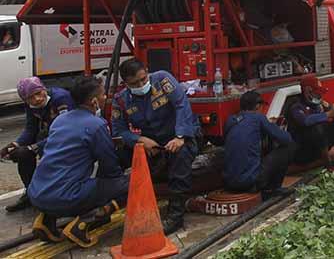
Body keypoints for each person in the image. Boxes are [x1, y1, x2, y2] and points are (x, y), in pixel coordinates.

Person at [27, 76, 128, 247]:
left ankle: (46, 220)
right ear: (94, 101)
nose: (106, 97)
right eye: (104, 95)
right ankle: (83, 224)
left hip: (36, 193)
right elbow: (110, 166)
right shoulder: (96, 125)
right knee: (131, 184)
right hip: (65, 197)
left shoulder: (59, 120)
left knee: (68, 180)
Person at [111, 58, 200, 234]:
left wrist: (180, 136)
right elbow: (119, 130)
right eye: (134, 83)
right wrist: (140, 140)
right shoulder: (121, 100)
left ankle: (176, 215)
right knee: (120, 155)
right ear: (125, 83)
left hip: (180, 136)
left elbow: (182, 105)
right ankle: (109, 202)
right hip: (152, 143)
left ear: (147, 71)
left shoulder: (162, 79)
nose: (141, 84)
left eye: (143, 79)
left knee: (179, 159)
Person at [0, 77, 74, 212]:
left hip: (71, 138)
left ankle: (56, 192)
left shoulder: (60, 99)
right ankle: (30, 193)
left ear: (44, 89)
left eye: (39, 93)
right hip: (51, 135)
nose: (37, 99)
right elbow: (30, 129)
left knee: (39, 146)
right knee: (22, 154)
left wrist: (34, 148)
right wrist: (14, 145)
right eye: (31, 98)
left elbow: (64, 132)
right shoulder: (31, 106)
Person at [223, 91, 295, 200]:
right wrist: (271, 125)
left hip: (229, 183)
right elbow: (286, 139)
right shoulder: (258, 118)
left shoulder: (231, 120)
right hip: (250, 183)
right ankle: (273, 189)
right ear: (257, 106)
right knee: (288, 147)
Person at [289, 78, 334, 172]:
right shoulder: (296, 106)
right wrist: (328, 114)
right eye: (317, 92)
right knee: (316, 127)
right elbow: (306, 121)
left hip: (319, 147)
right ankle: (328, 164)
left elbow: (330, 111)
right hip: (302, 151)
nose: (319, 95)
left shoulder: (318, 104)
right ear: (307, 91)